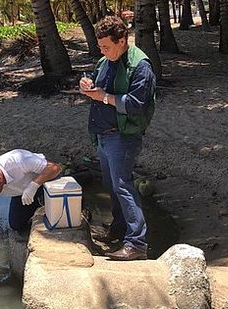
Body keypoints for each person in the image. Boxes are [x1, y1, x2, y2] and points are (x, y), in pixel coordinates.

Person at [79, 16, 156, 261]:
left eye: (105, 47)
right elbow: (96, 83)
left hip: (122, 136)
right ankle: (119, 229)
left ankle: (136, 243)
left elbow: (136, 105)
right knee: (112, 186)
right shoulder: (106, 60)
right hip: (103, 136)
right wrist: (86, 83)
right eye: (100, 47)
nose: (101, 51)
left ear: (122, 41)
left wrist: (103, 97)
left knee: (123, 185)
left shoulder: (141, 66)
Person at [0, 149, 62, 267]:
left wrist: (34, 185)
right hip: (21, 194)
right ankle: (35, 209)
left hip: (42, 182)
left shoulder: (18, 161)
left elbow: (55, 168)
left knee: (53, 213)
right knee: (16, 224)